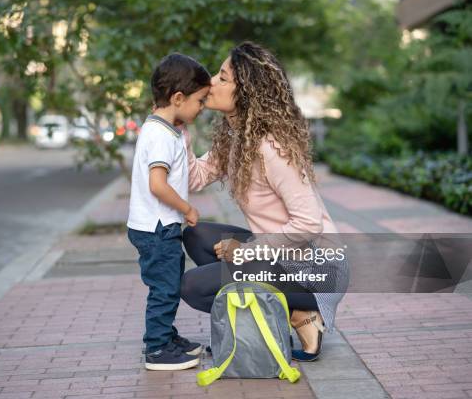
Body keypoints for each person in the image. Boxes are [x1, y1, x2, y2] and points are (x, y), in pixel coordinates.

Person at [180, 42, 349, 362]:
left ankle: (296, 312)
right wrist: (180, 126)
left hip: (316, 268)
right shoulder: (235, 139)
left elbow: (309, 223)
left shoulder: (271, 148)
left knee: (193, 286)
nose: (211, 82)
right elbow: (195, 178)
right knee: (196, 235)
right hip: (281, 258)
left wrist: (246, 251)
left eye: (223, 78)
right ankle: (290, 315)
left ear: (246, 93)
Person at [127, 53, 212, 370]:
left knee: (168, 283)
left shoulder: (165, 128)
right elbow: (158, 185)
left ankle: (166, 335)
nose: (202, 108)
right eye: (200, 101)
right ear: (178, 97)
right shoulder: (160, 136)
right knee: (164, 288)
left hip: (156, 226)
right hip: (157, 227)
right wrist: (187, 207)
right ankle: (157, 349)